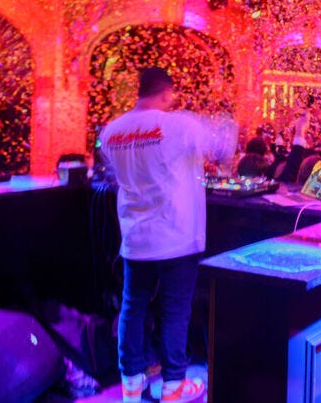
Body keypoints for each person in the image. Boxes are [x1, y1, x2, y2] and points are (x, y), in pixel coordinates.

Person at [99, 67, 236, 403]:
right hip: (177, 234)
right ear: (166, 92)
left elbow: (114, 177)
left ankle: (131, 387)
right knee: (175, 311)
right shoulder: (179, 125)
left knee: (133, 307)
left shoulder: (112, 131)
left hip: (135, 236)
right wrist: (228, 123)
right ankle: (174, 387)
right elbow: (222, 152)